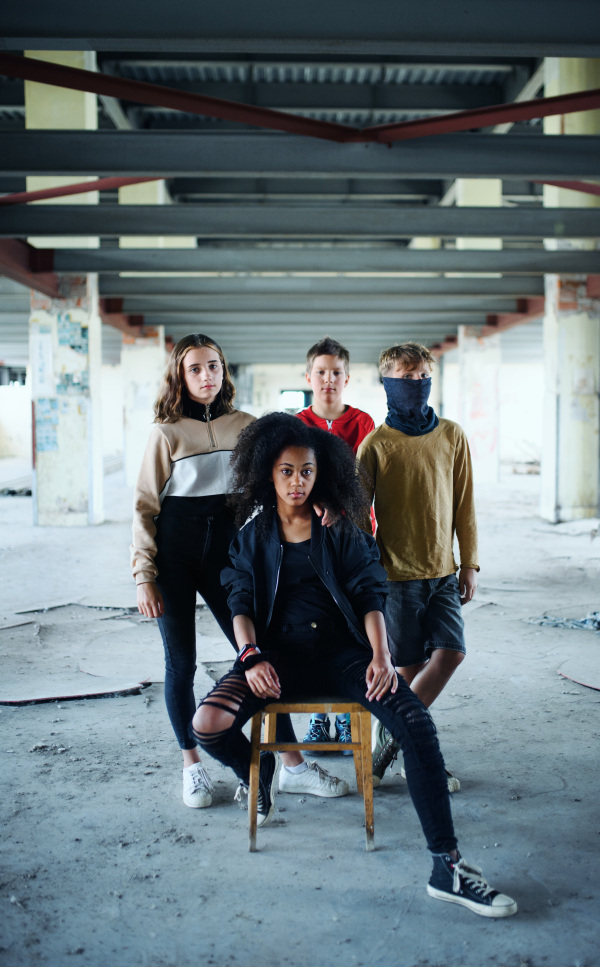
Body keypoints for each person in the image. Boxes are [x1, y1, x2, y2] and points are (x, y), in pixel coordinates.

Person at [191, 414, 516, 917]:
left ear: (320, 474)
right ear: (266, 475)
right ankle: (258, 772)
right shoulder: (253, 537)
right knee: (207, 724)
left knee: (416, 725)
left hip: (344, 657)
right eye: (286, 471)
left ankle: (446, 865)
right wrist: (250, 657)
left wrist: (382, 657)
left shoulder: (339, 527)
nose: (297, 482)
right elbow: (240, 602)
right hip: (276, 660)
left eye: (306, 471)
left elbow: (370, 592)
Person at [132, 334, 345, 810]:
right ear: (179, 376)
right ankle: (193, 766)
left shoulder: (247, 426)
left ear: (224, 371)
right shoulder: (165, 433)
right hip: (173, 559)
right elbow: (144, 506)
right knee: (180, 664)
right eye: (195, 369)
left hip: (225, 557)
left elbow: (295, 459)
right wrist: (144, 574)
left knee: (262, 655)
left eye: (214, 366)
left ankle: (292, 766)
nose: (207, 376)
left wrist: (327, 497)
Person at [356, 343, 478, 791]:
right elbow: (356, 517)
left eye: (423, 376)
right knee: (405, 673)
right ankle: (418, 754)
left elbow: (465, 505)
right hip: (396, 578)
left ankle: (390, 741)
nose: (416, 384)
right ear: (388, 382)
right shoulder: (375, 445)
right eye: (406, 378)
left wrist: (471, 563)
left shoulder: (451, 435)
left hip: (443, 571)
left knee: (451, 652)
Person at [296, 336, 375, 753]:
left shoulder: (363, 423)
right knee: (314, 624)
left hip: (353, 536)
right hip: (308, 538)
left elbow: (366, 481)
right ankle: (318, 717)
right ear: (308, 377)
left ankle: (346, 714)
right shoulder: (297, 423)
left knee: (354, 625)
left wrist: (342, 508)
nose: (328, 379)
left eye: (336, 373)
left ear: (348, 378)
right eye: (321, 372)